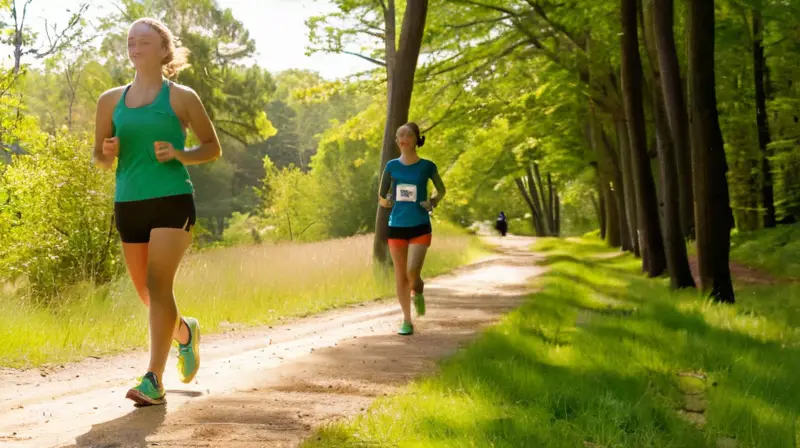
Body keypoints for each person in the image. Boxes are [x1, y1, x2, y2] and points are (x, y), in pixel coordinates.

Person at [92, 18, 221, 406]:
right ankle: (184, 332)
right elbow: (99, 157)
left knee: (158, 283)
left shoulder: (182, 97)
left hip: (171, 199)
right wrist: (107, 152)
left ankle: (153, 379)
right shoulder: (109, 100)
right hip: (128, 202)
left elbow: (211, 147)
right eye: (131, 41)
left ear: (165, 50)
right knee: (147, 293)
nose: (134, 46)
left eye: (144, 41)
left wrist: (179, 153)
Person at [378, 123, 446, 336]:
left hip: (420, 226)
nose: (404, 137)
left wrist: (432, 202)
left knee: (412, 273)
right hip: (396, 226)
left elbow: (441, 190)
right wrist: (387, 201)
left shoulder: (427, 166)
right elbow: (381, 197)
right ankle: (407, 320)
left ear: (417, 139)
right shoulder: (391, 166)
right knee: (401, 276)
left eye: (408, 134)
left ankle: (418, 289)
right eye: (400, 134)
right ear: (396, 141)